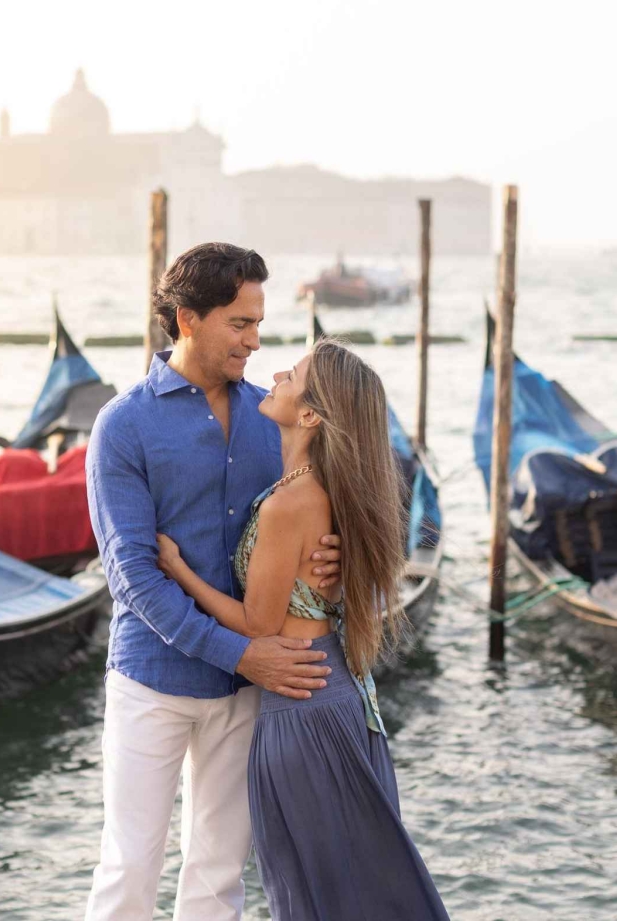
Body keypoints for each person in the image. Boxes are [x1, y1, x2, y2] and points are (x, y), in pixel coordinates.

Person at [84, 242, 344, 921]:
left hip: (244, 688)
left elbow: (311, 513)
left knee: (218, 873)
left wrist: (332, 563)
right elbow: (133, 576)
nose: (257, 341)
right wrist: (240, 651)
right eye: (240, 323)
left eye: (259, 323)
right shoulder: (123, 424)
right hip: (153, 680)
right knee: (130, 865)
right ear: (188, 317)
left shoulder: (272, 417)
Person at [156, 338, 450, 920]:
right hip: (336, 698)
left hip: (304, 709)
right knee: (355, 893)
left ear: (311, 414)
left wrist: (179, 570)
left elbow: (258, 625)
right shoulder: (322, 492)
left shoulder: (291, 503)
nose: (277, 373)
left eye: (292, 374)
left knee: (317, 896)